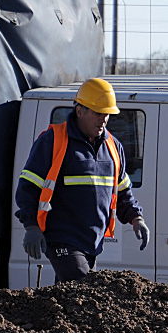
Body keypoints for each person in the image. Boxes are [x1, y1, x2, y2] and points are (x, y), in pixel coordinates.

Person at [16, 77, 149, 282]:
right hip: (62, 238)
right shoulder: (53, 141)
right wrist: (31, 226)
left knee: (73, 301)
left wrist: (136, 218)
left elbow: (123, 192)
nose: (103, 120)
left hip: (93, 242)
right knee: (83, 290)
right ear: (80, 111)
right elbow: (28, 187)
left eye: (107, 114)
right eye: (98, 113)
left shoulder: (114, 148)